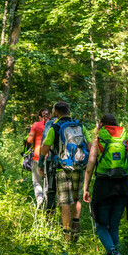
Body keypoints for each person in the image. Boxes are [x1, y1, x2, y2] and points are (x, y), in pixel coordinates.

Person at [83, 114, 128, 255]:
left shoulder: (98, 143)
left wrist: (85, 188)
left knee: (101, 224)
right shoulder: (125, 143)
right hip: (123, 188)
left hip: (103, 188)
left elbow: (89, 169)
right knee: (114, 224)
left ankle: (112, 251)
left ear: (101, 126)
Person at [39, 101, 90, 238]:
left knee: (65, 201)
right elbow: (89, 145)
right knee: (76, 197)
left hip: (62, 168)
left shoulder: (55, 127)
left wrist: (40, 163)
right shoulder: (80, 126)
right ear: (69, 111)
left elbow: (45, 148)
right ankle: (76, 225)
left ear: (56, 113)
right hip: (79, 166)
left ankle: (67, 233)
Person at [26, 108, 50, 208]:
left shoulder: (36, 125)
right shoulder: (54, 124)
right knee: (48, 182)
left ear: (39, 117)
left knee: (37, 181)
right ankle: (47, 202)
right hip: (51, 157)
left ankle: (40, 200)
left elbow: (30, 140)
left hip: (37, 155)